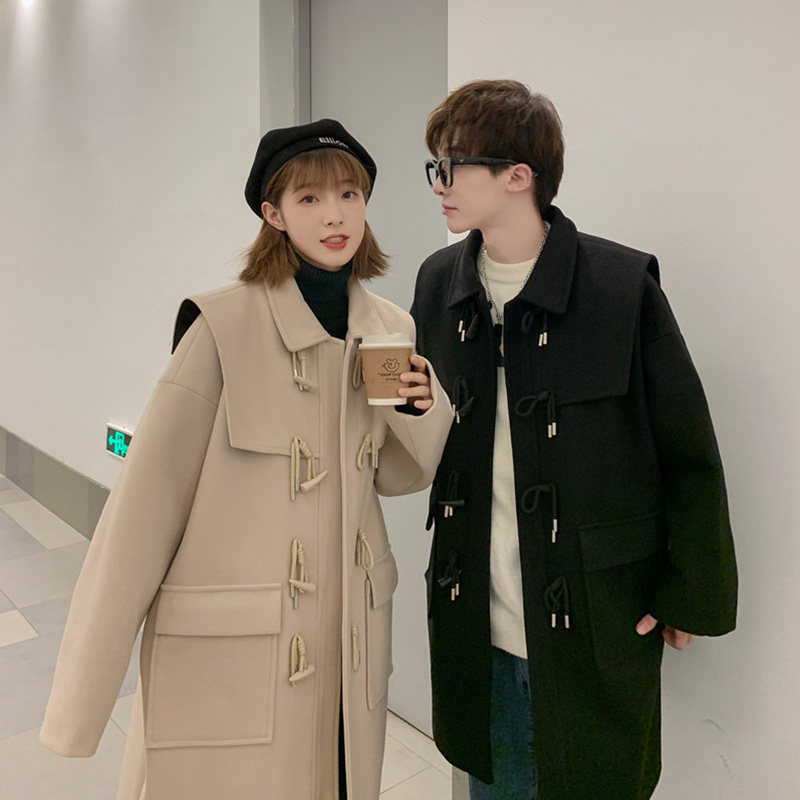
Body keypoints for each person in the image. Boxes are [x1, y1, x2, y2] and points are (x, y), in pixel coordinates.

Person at [38, 118, 454, 800]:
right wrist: (78, 707)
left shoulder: (389, 326)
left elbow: (396, 476)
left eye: (349, 195)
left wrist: (420, 406)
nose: (335, 216)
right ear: (273, 213)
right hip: (245, 651)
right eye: (310, 198)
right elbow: (140, 516)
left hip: (351, 639)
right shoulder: (220, 329)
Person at [410, 80, 738, 800]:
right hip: (476, 605)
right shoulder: (438, 284)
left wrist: (689, 592)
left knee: (593, 779)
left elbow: (686, 448)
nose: (439, 184)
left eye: (453, 166)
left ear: (518, 176)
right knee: (493, 781)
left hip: (592, 608)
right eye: (436, 165)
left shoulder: (620, 287)